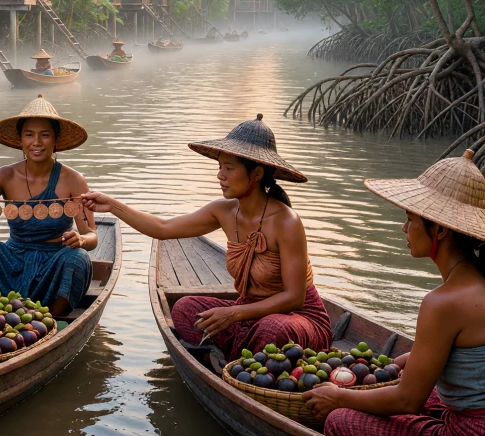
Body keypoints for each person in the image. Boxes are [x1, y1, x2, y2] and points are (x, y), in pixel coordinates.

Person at [305, 150, 485, 436]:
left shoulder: (442, 302)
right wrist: (410, 358)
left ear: (439, 230)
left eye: (410, 219)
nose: (404, 228)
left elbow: (407, 400)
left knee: (341, 420)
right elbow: (484, 354)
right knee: (419, 387)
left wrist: (338, 397)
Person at [83, 114, 330, 359]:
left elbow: (294, 298)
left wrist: (233, 314)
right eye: (220, 167)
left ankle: (236, 354)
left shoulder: (286, 222)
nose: (220, 175)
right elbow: (162, 228)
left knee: (272, 329)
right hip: (248, 312)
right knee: (185, 309)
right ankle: (243, 354)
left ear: (256, 174)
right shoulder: (223, 210)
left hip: (297, 318)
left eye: (229, 168)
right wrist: (112, 205)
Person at [0, 95, 96, 318]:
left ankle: (47, 321)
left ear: (56, 140)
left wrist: (80, 240)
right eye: (29, 134)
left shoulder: (73, 180)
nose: (36, 142)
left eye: (45, 135)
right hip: (13, 259)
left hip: (53, 263)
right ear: (20, 140)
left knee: (78, 258)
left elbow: (92, 236)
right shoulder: (4, 175)